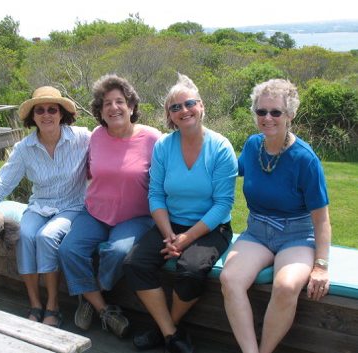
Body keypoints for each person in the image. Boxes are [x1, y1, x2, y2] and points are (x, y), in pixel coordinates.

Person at [123, 74, 238, 353]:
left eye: (189, 103)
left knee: (191, 270)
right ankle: (172, 333)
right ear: (169, 115)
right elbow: (156, 195)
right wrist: (170, 235)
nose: (183, 110)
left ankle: (164, 329)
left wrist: (186, 239)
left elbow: (223, 204)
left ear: (201, 106)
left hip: (211, 228)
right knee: (134, 263)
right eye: (175, 107)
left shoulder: (221, 148)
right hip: (169, 224)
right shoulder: (164, 146)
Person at [220, 79, 332, 353]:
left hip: (296, 235)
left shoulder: (305, 159)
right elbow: (228, 171)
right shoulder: (252, 146)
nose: (267, 118)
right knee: (230, 279)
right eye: (261, 112)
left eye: (276, 112)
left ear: (290, 115)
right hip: (257, 231)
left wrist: (320, 265)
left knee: (285, 285)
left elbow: (321, 219)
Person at [0, 86, 90, 328]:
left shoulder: (82, 138)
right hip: (40, 206)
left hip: (72, 206)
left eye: (52, 109)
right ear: (33, 116)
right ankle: (35, 303)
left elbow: (113, 143)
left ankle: (53, 305)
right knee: (25, 235)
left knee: (47, 236)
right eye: (40, 110)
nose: (46, 115)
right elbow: (2, 183)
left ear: (62, 114)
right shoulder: (25, 148)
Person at [58, 74, 162, 338]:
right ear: (100, 111)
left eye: (119, 101)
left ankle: (90, 295)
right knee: (69, 249)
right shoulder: (95, 136)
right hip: (94, 213)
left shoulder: (152, 138)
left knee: (117, 253)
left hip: (136, 217)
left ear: (131, 106)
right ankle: (103, 308)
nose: (114, 107)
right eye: (107, 103)